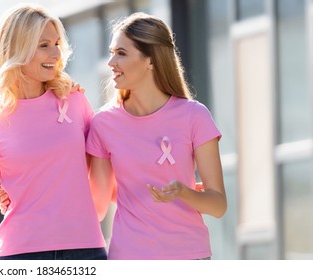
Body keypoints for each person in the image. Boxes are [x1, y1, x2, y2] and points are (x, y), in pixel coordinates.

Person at [0, 4, 107, 260]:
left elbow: (95, 165)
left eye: (57, 44)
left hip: (84, 248)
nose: (55, 53)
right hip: (20, 253)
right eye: (43, 45)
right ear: (17, 48)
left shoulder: (74, 101)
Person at [85, 12, 227, 260]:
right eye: (112, 52)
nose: (110, 62)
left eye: (121, 53)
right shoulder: (103, 123)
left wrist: (183, 192)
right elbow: (95, 205)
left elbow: (218, 205)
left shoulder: (194, 116)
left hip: (189, 256)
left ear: (150, 60)